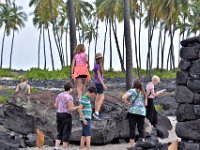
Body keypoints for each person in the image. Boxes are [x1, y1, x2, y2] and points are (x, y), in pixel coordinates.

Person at [122, 80, 147, 147]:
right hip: (142, 112)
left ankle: (132, 145)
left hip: (133, 111)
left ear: (134, 84)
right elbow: (146, 104)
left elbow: (123, 97)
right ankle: (143, 145)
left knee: (132, 128)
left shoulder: (132, 90)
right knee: (141, 128)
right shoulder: (143, 91)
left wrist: (128, 103)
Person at [54, 82, 79, 150]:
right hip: (66, 115)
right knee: (66, 132)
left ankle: (56, 147)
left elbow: (55, 105)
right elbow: (71, 109)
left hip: (58, 114)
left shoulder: (60, 95)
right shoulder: (69, 97)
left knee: (60, 132)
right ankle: (64, 148)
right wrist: (79, 107)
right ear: (70, 89)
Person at [92, 53, 107, 120]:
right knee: (101, 97)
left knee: (98, 98)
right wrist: (103, 85)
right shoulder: (97, 66)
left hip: (97, 83)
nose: (102, 59)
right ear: (98, 59)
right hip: (99, 83)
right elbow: (98, 76)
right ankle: (96, 113)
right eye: (101, 58)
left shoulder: (97, 65)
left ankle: (96, 112)